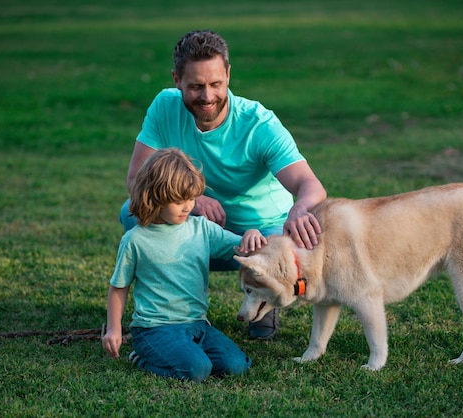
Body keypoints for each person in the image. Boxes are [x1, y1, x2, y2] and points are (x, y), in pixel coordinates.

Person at [119, 29, 327, 340]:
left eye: (216, 84)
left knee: (276, 244)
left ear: (228, 74)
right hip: (198, 222)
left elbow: (309, 184)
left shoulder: (259, 123)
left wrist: (299, 208)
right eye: (196, 87)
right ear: (176, 79)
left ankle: (263, 299)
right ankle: (167, 306)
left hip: (261, 234)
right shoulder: (164, 106)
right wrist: (196, 199)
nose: (207, 96)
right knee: (132, 212)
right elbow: (136, 180)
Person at [103, 148, 266, 382]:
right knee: (196, 369)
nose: (188, 206)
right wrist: (114, 329)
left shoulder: (201, 229)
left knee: (236, 366)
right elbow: (119, 287)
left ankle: (186, 353)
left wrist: (251, 233)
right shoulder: (135, 239)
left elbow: (243, 247)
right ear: (154, 196)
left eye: (192, 198)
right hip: (154, 329)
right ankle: (143, 357)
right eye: (179, 200)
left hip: (197, 324)